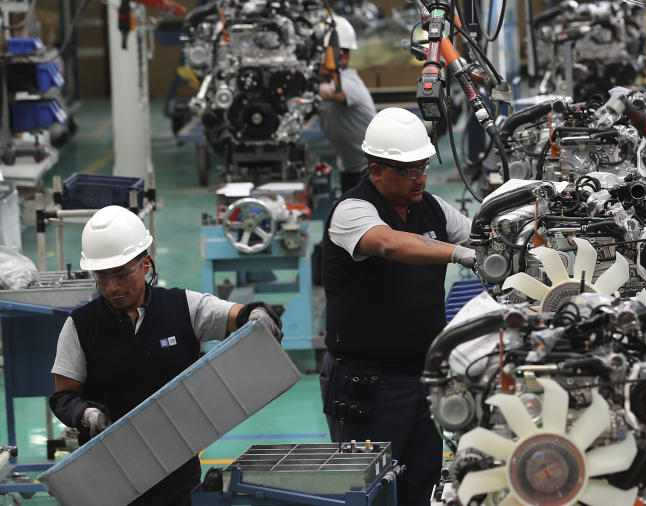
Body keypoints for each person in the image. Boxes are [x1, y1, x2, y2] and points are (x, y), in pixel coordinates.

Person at [48, 206, 284, 506]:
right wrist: (85, 415)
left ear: (145, 263)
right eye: (102, 278)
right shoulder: (80, 325)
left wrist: (259, 314)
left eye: (121, 274)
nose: (112, 287)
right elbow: (63, 396)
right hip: (109, 475)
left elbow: (239, 315)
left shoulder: (183, 307)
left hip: (175, 474)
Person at [319, 107, 474, 506]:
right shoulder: (352, 211)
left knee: (421, 481)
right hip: (369, 385)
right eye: (407, 170)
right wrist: (459, 254)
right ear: (375, 170)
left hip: (423, 378)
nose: (419, 177)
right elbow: (389, 243)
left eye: (422, 166)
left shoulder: (433, 208)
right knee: (368, 491)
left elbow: (483, 234)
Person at [316, 15, 377, 193]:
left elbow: (328, 91)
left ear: (341, 56)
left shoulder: (348, 81)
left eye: (321, 54)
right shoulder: (327, 79)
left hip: (369, 169)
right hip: (349, 166)